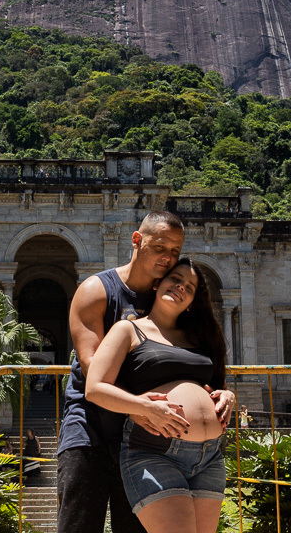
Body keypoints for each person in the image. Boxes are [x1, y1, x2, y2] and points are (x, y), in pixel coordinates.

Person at [58, 210, 233, 533]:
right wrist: (141, 406)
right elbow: (91, 368)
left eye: (175, 252)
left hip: (150, 438)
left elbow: (189, 365)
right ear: (137, 241)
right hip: (92, 430)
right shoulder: (97, 291)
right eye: (160, 248)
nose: (168, 259)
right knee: (80, 524)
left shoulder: (170, 299)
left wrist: (219, 394)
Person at [86, 259, 230, 533]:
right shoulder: (128, 329)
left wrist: (228, 395)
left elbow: (211, 385)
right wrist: (143, 407)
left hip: (210, 457)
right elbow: (94, 388)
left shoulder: (200, 338)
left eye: (189, 287)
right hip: (155, 452)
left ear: (191, 302)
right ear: (157, 283)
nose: (180, 287)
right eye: (175, 279)